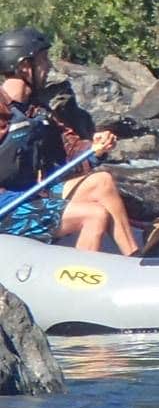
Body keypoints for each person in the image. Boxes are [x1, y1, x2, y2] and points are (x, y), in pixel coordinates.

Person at [0, 27, 139, 255]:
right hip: (5, 207)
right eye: (43, 60)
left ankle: (136, 258)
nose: (48, 67)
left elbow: (71, 152)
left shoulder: (38, 112)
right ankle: (82, 274)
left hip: (30, 195)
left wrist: (95, 148)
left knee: (102, 181)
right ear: (24, 66)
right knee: (94, 214)